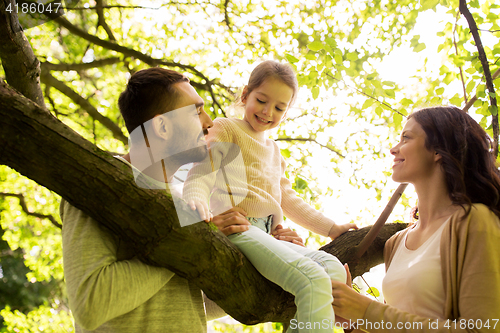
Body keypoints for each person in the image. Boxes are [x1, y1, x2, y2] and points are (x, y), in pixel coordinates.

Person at [60, 67, 304, 333]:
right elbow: (90, 305)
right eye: (197, 111)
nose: (210, 121)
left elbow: (201, 304)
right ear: (162, 125)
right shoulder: (98, 185)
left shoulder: (189, 207)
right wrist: (192, 241)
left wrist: (266, 250)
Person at [183, 60, 357, 332]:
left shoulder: (274, 151)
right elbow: (202, 172)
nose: (267, 112)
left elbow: (287, 199)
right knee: (312, 278)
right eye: (261, 100)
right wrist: (196, 203)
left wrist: (332, 228)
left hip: (267, 234)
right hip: (238, 228)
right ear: (245, 95)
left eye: (279, 107)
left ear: (286, 112)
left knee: (332, 269)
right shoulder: (227, 128)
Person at [331, 106, 500, 332]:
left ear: (438, 150)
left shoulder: (474, 221)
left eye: (406, 138)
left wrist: (365, 311)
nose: (393, 149)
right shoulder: (396, 243)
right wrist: (355, 321)